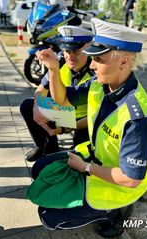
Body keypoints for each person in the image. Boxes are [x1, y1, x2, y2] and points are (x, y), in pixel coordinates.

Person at [30, 18, 147, 238]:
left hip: (120, 183)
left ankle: (115, 213)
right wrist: (53, 67)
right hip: (95, 158)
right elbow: (62, 102)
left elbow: (131, 179)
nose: (91, 65)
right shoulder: (100, 84)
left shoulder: (139, 119)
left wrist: (85, 168)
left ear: (123, 61)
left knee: (48, 216)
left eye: (98, 59)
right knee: (39, 169)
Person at [20, 26, 93, 162]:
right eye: (67, 51)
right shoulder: (60, 60)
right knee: (28, 106)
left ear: (88, 50)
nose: (70, 57)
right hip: (66, 113)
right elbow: (41, 89)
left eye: (76, 52)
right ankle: (45, 148)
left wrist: (64, 128)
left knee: (80, 154)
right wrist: (37, 107)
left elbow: (99, 116)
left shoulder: (95, 69)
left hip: (87, 121)